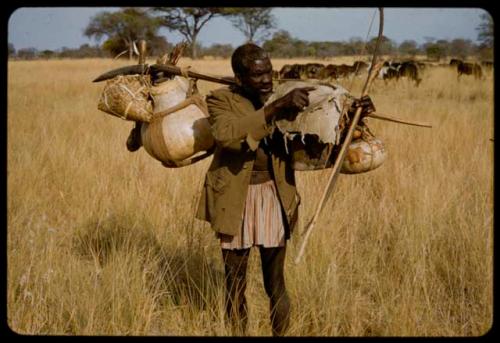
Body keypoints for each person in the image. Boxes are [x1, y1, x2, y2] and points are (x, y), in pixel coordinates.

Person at [196, 43, 375, 336]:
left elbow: (324, 132)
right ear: (239, 78)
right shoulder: (220, 100)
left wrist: (357, 114)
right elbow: (227, 137)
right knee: (234, 283)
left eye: (268, 72)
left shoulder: (285, 94)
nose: (267, 80)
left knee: (275, 282)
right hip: (233, 199)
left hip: (274, 195)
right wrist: (275, 108)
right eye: (257, 75)